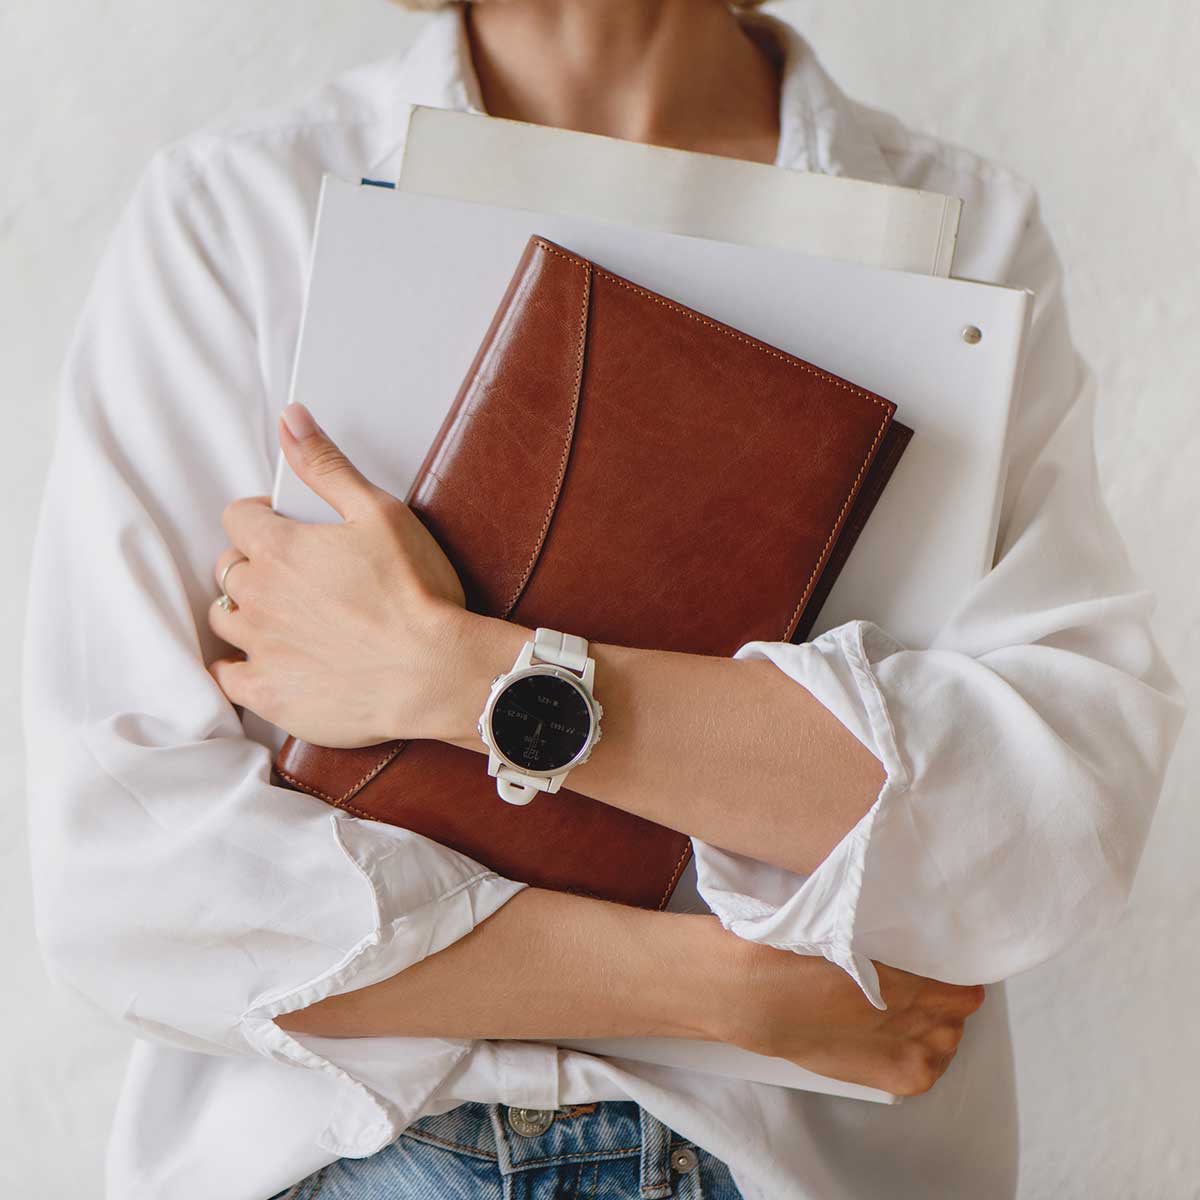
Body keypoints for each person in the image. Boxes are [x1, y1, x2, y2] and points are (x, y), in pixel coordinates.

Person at [22, 2, 1186, 1198]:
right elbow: (128, 880)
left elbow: (1053, 822)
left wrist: (456, 672)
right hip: (343, 1157)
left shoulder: (967, 231)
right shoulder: (244, 209)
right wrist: (720, 988)